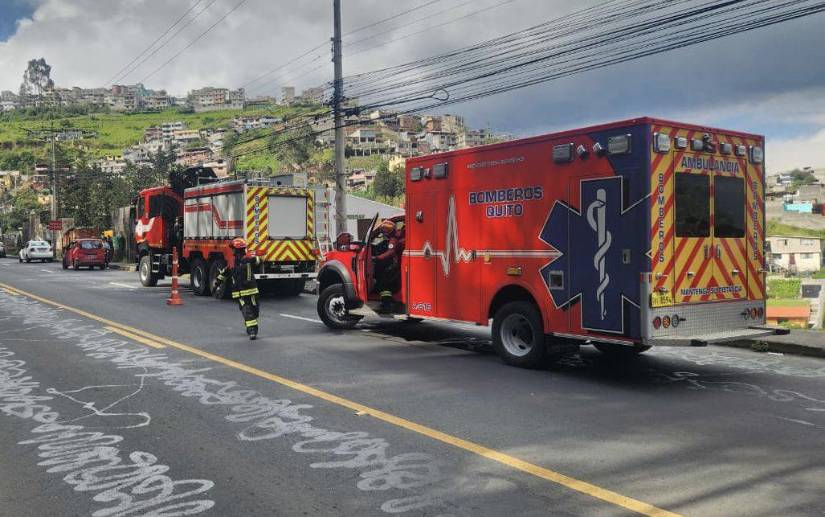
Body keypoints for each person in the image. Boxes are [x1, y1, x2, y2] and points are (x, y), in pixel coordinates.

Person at [216, 238, 263, 340]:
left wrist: (254, 258)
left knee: (255, 311)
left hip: (251, 290)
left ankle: (250, 324)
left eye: (233, 248)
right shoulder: (232, 261)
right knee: (247, 310)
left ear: (238, 250)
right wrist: (217, 283)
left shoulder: (248, 258)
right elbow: (225, 272)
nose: (232, 250)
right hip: (239, 292)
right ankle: (252, 331)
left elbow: (259, 261)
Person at [372, 219, 405, 312]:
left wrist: (377, 258)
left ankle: (386, 306)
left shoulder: (393, 240)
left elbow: (390, 252)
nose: (385, 231)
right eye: (384, 229)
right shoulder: (395, 238)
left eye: (387, 229)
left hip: (392, 267)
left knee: (384, 285)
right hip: (395, 265)